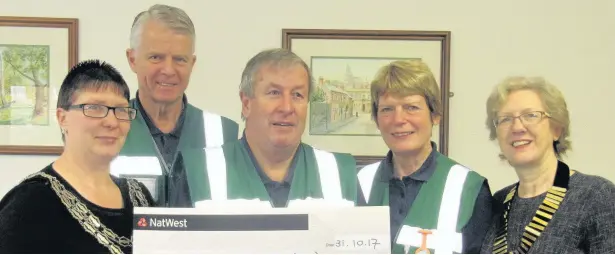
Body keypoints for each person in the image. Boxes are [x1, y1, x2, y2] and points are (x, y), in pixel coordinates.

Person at [0, 59, 155, 253]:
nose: (112, 122)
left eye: (121, 110)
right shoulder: (30, 202)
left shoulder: (140, 197)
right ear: (62, 118)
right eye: (95, 108)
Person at [182, 48, 358, 207]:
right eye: (274, 93)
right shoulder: (198, 173)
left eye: (297, 95)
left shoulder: (340, 174)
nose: (287, 107)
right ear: (246, 103)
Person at [356, 60, 494, 254]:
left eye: (411, 107)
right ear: (376, 119)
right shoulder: (357, 184)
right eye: (387, 109)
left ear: (435, 114)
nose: (398, 120)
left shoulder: (469, 189)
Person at [112, 4, 240, 208]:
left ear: (192, 63)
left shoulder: (225, 134)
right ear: (132, 59)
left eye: (180, 59)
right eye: (156, 57)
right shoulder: (106, 126)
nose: (169, 70)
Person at [480, 76, 615, 254]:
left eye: (531, 115)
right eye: (505, 119)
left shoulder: (596, 195)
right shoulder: (498, 202)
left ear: (556, 129)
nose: (517, 127)